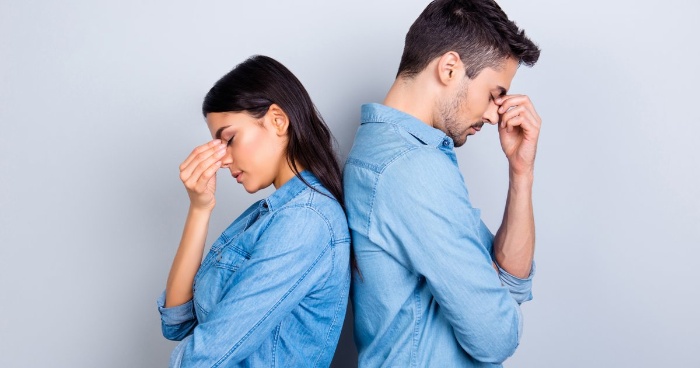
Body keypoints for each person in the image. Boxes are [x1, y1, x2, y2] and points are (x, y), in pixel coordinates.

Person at [343, 0, 541, 366]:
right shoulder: (412, 169)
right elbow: (496, 337)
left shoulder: (392, 153)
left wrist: (521, 171)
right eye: (495, 94)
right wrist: (497, 294)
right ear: (450, 68)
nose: (496, 114)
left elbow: (511, 279)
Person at [157, 55, 351, 367]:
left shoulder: (306, 221)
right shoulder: (267, 216)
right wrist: (199, 209)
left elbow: (205, 357)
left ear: (277, 119)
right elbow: (177, 321)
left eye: (229, 139)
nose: (222, 159)